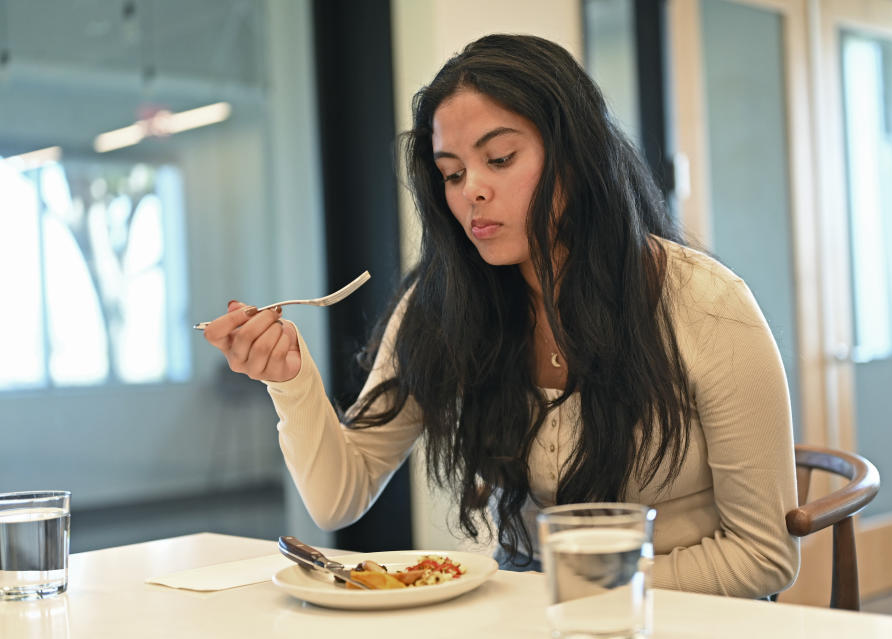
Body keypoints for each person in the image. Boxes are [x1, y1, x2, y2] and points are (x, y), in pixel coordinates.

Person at [203, 34, 799, 599]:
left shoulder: (706, 304)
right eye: (453, 174)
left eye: (500, 158)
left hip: (681, 617)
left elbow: (764, 556)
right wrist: (289, 380)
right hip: (537, 611)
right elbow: (340, 496)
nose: (472, 193)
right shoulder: (445, 303)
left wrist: (567, 587)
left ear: (576, 155)